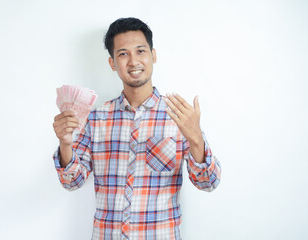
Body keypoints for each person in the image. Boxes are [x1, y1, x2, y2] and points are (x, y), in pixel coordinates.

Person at [52, 17, 221, 240]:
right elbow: (71, 181)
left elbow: (208, 183)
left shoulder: (179, 116)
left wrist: (196, 139)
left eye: (140, 51)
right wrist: (65, 144)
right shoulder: (96, 118)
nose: (133, 61)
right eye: (123, 54)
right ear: (112, 63)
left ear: (153, 55)